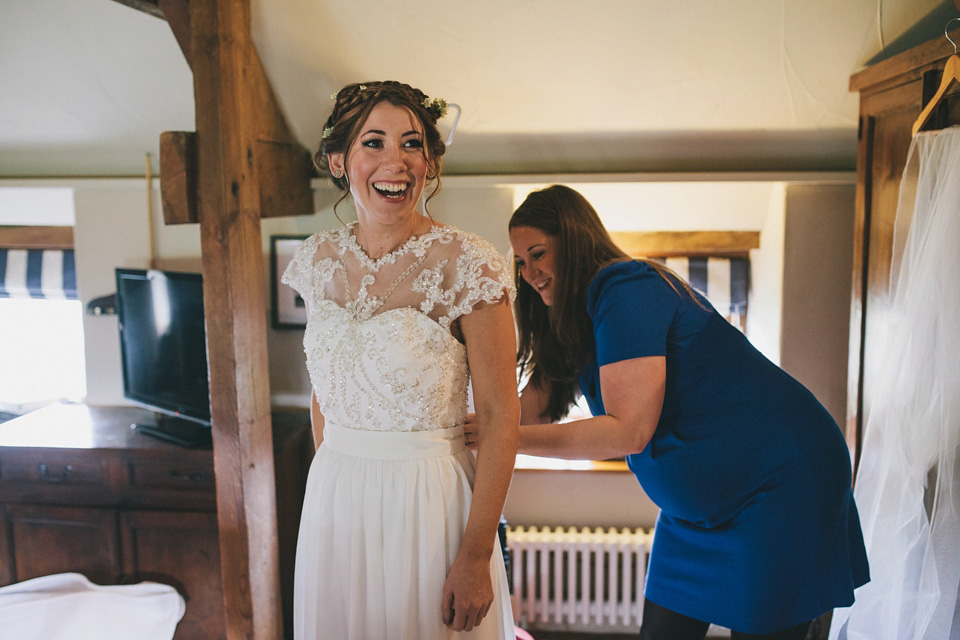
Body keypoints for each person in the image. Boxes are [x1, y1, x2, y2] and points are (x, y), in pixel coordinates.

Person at [472, 184, 870, 640]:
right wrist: (454, 425)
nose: (530, 273)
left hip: (777, 487)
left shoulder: (626, 287)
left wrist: (498, 435)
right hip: (691, 512)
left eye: (539, 254)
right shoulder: (571, 321)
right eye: (521, 263)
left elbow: (628, 432)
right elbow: (527, 411)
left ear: (576, 240)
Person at [281, 81, 519, 640]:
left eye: (412, 144)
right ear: (340, 161)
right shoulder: (317, 260)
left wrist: (476, 555)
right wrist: (337, 475)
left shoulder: (470, 264)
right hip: (336, 499)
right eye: (375, 143)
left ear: (430, 161)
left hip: (428, 501)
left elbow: (501, 417)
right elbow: (326, 390)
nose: (397, 162)